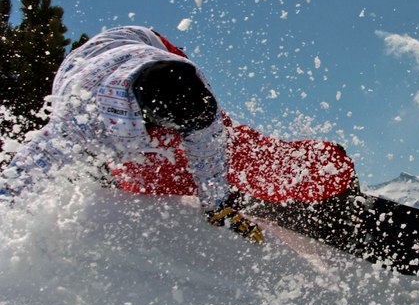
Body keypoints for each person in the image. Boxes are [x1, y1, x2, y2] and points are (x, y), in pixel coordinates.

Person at [0, 25, 262, 239]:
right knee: (149, 176)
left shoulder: (193, 82)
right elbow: (28, 171)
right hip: (88, 72)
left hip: (143, 42)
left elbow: (208, 147)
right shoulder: (81, 116)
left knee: (230, 142)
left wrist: (217, 205)